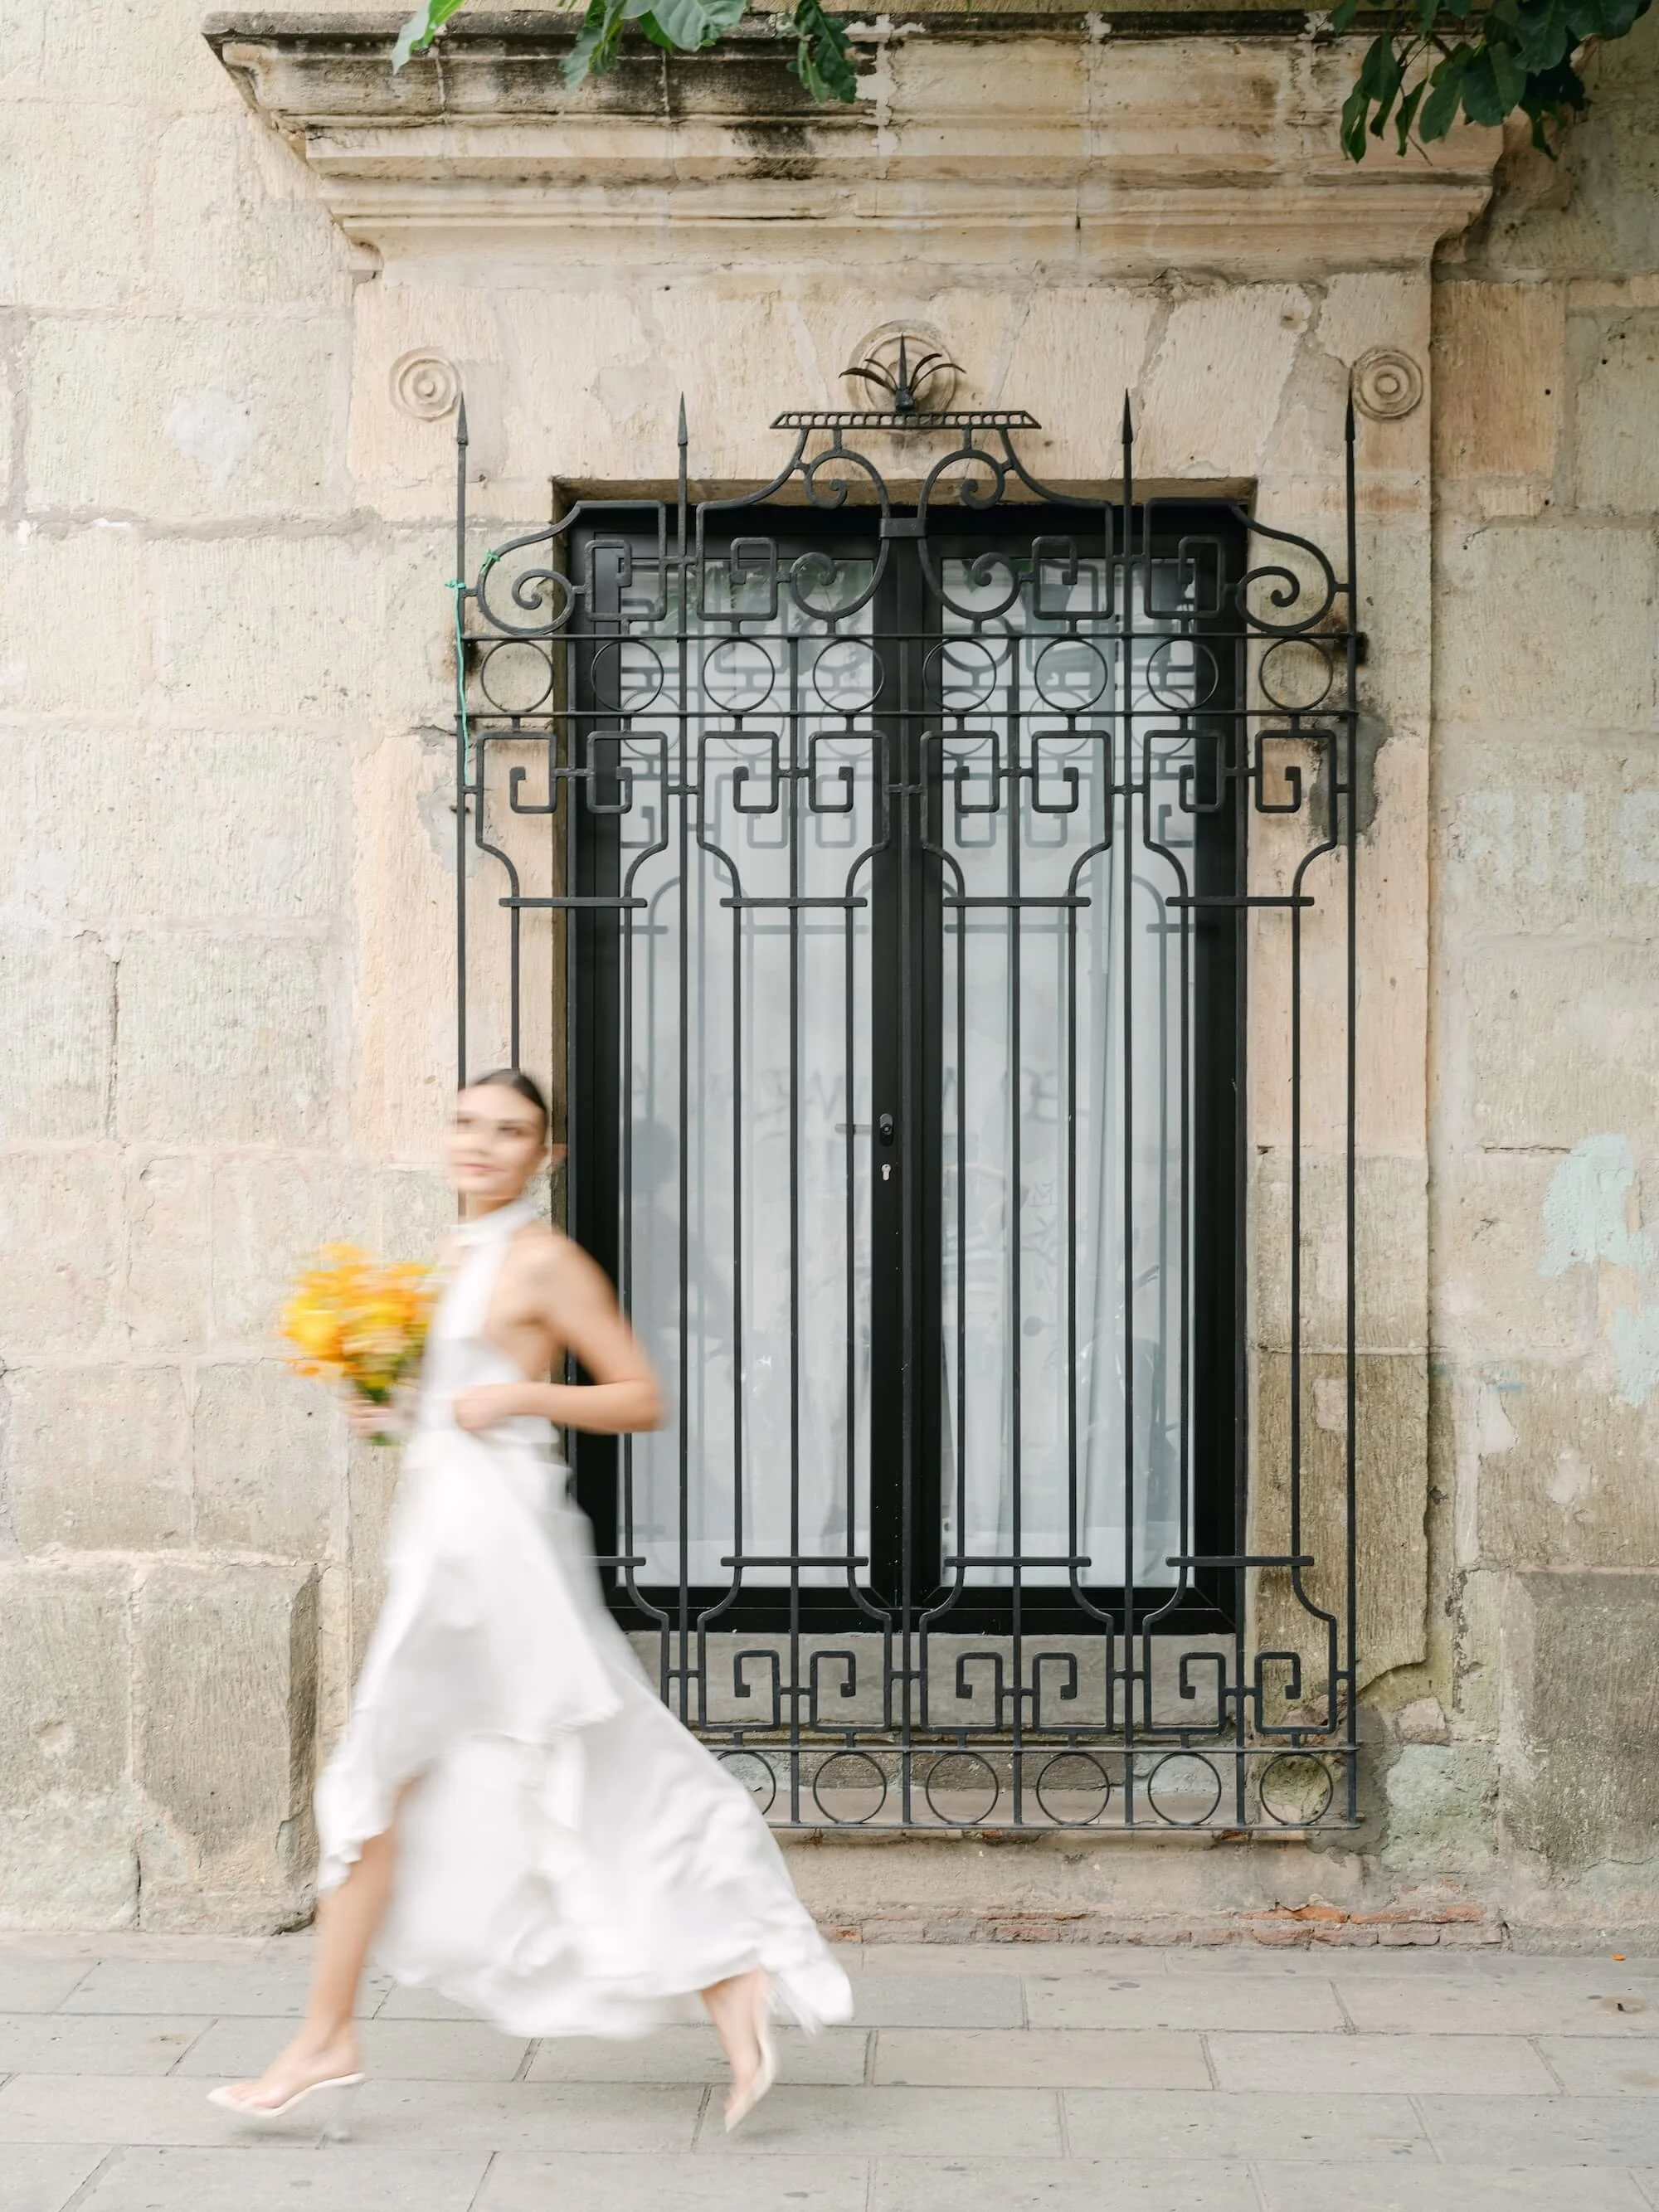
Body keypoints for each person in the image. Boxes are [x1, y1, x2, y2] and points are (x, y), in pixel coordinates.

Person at [211, 1069, 853, 2134]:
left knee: (386, 1782)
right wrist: (388, 1393)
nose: (479, 1143)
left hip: (497, 1549)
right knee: (546, 1768)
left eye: (508, 1132)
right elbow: (438, 1403)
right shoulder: (449, 1258)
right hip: (447, 1542)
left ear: (542, 1157)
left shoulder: (546, 1259)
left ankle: (326, 2037)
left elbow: (638, 1396)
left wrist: (514, 1394)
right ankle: (727, 1974)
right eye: (466, 1122)